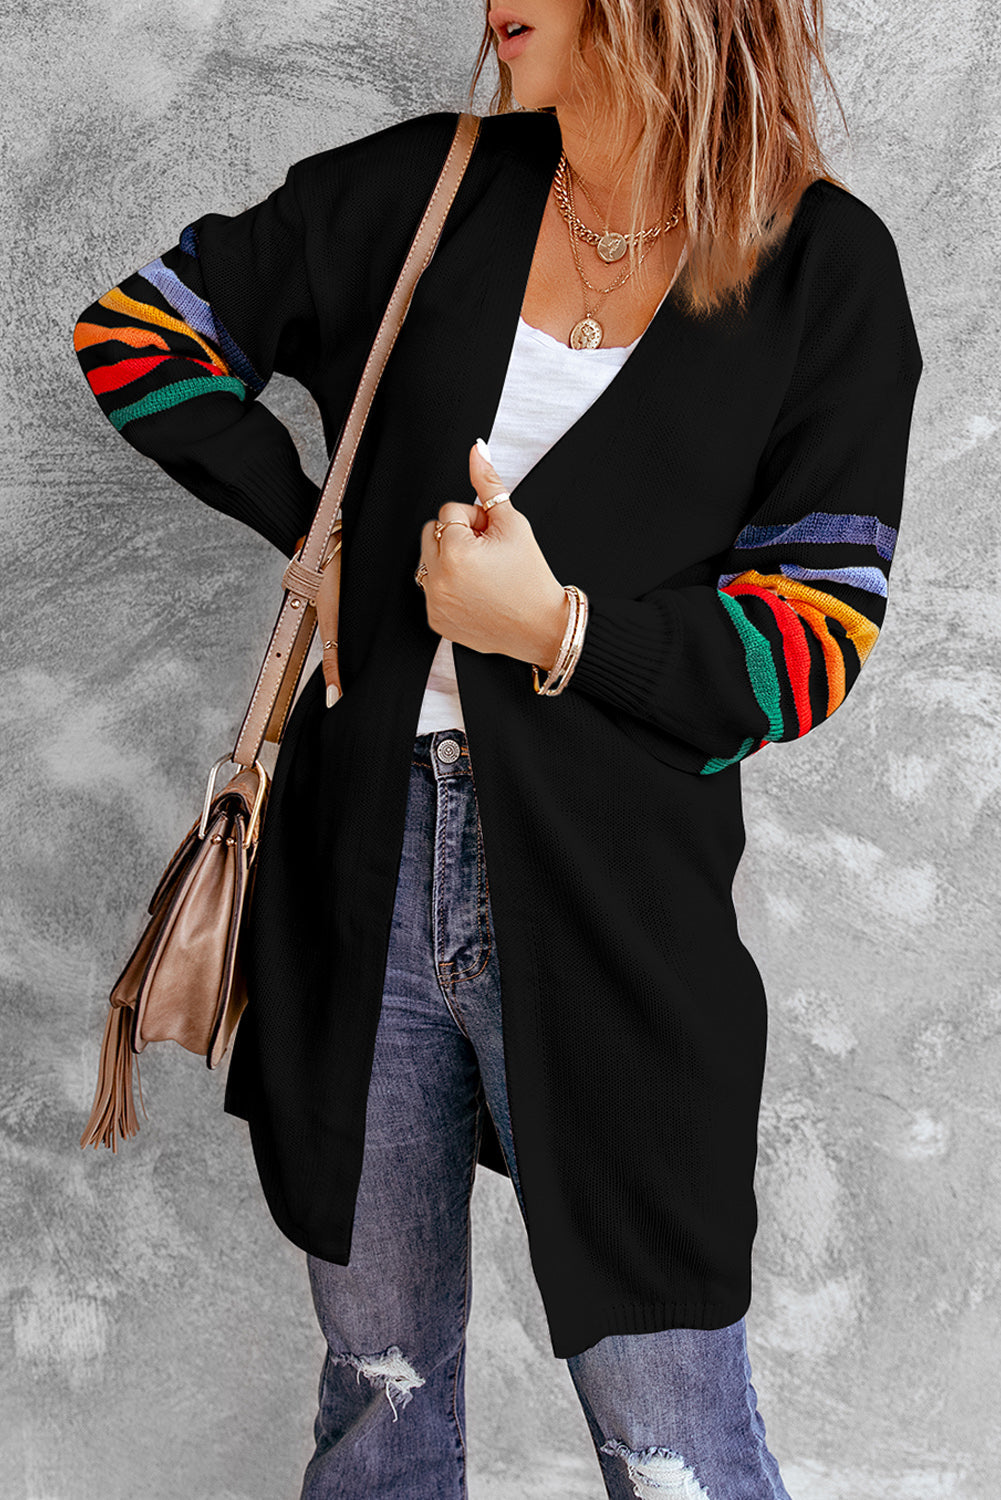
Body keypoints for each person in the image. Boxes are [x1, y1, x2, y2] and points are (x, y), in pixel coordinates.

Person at [73, 1, 923, 1495]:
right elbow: (135, 331)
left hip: (616, 907)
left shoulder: (822, 267)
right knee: (380, 1403)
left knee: (671, 1437)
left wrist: (555, 627)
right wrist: (316, 531)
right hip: (362, 869)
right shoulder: (429, 187)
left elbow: (810, 646)